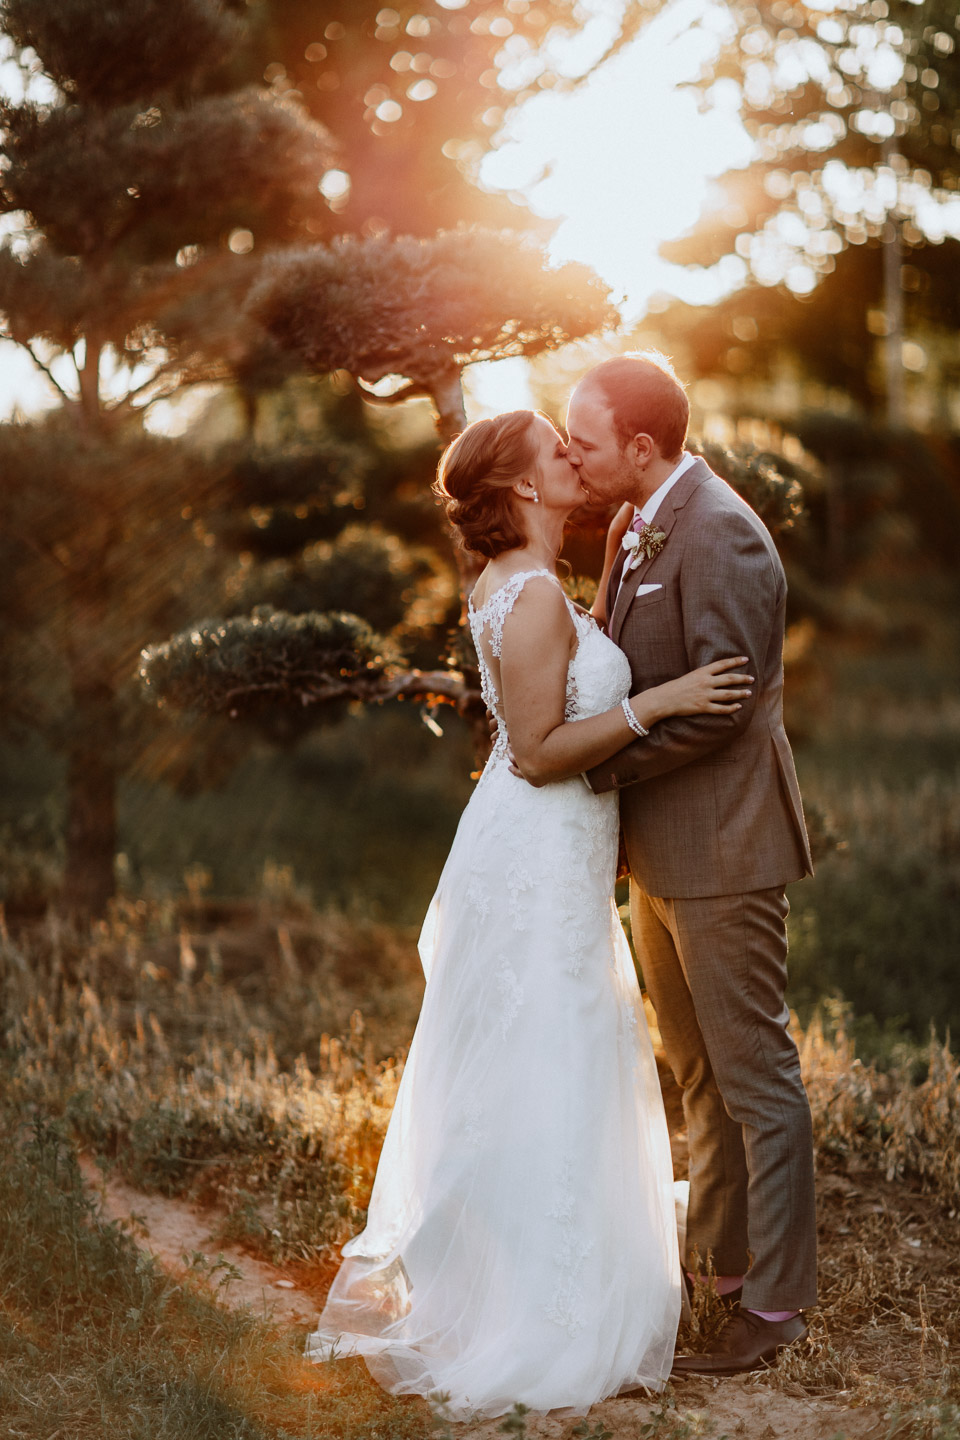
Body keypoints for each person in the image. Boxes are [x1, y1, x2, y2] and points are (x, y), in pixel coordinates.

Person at [305, 408, 754, 1417]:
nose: (571, 455)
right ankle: (539, 1316)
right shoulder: (538, 597)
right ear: (516, 485)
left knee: (540, 1055)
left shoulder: (524, 585)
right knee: (553, 1050)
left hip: (542, 842)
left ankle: (524, 1286)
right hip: (540, 843)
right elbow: (545, 750)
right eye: (554, 448)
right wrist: (666, 699)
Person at [565, 352, 817, 1376]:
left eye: (586, 444)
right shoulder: (634, 525)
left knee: (758, 1078)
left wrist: (592, 770)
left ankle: (776, 1308)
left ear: (641, 444)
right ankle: (716, 1273)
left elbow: (725, 710)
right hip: (658, 854)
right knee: (696, 1074)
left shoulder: (726, 537)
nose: (575, 460)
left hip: (723, 846)